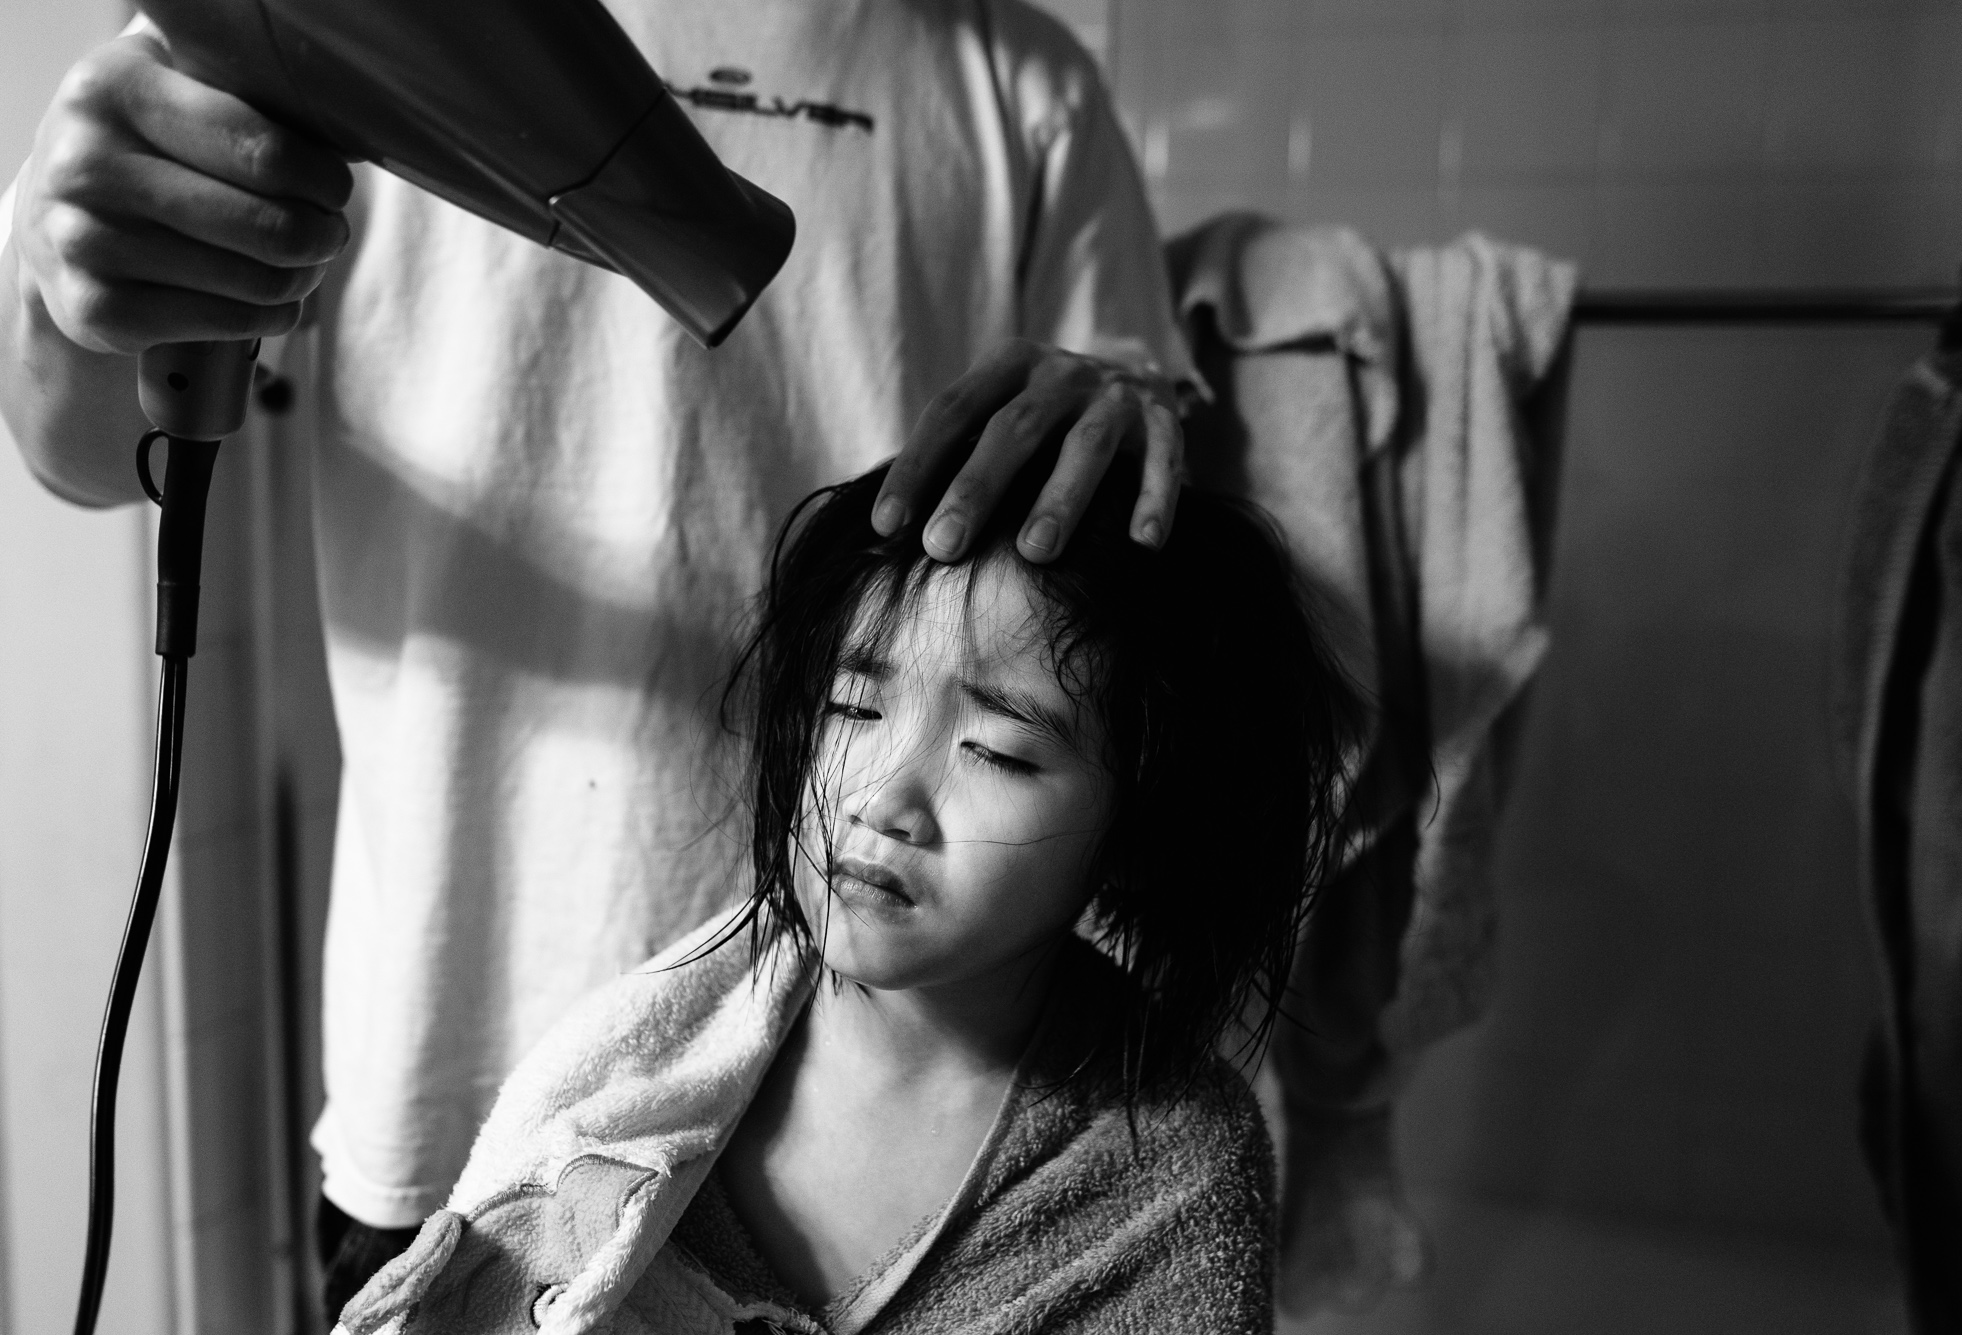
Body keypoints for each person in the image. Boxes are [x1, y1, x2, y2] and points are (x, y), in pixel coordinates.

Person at [0, 2, 1192, 1317]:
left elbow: (1131, 550)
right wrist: (71, 292)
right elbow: (85, 443)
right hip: (457, 1089)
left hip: (877, 1132)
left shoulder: (1020, 79)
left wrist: (1141, 431)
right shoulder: (347, 19)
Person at [334, 450, 1366, 1335]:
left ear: (1139, 822)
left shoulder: (1170, 1176)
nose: (881, 800)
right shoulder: (635, 1067)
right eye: (852, 706)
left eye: (999, 753)